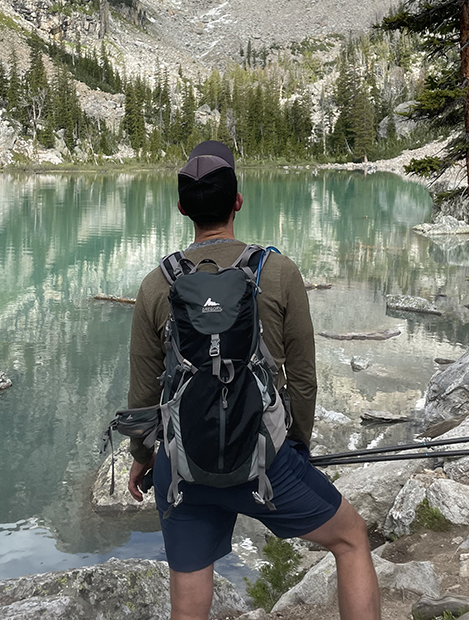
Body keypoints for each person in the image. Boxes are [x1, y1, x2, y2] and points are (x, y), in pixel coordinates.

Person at [126, 140, 381, 620]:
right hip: (268, 461)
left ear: (182, 209)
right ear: (238, 201)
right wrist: (296, 447)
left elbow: (142, 395)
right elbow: (303, 380)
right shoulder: (278, 271)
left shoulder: (156, 284)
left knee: (188, 596)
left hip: (183, 468)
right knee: (350, 539)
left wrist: (142, 457)